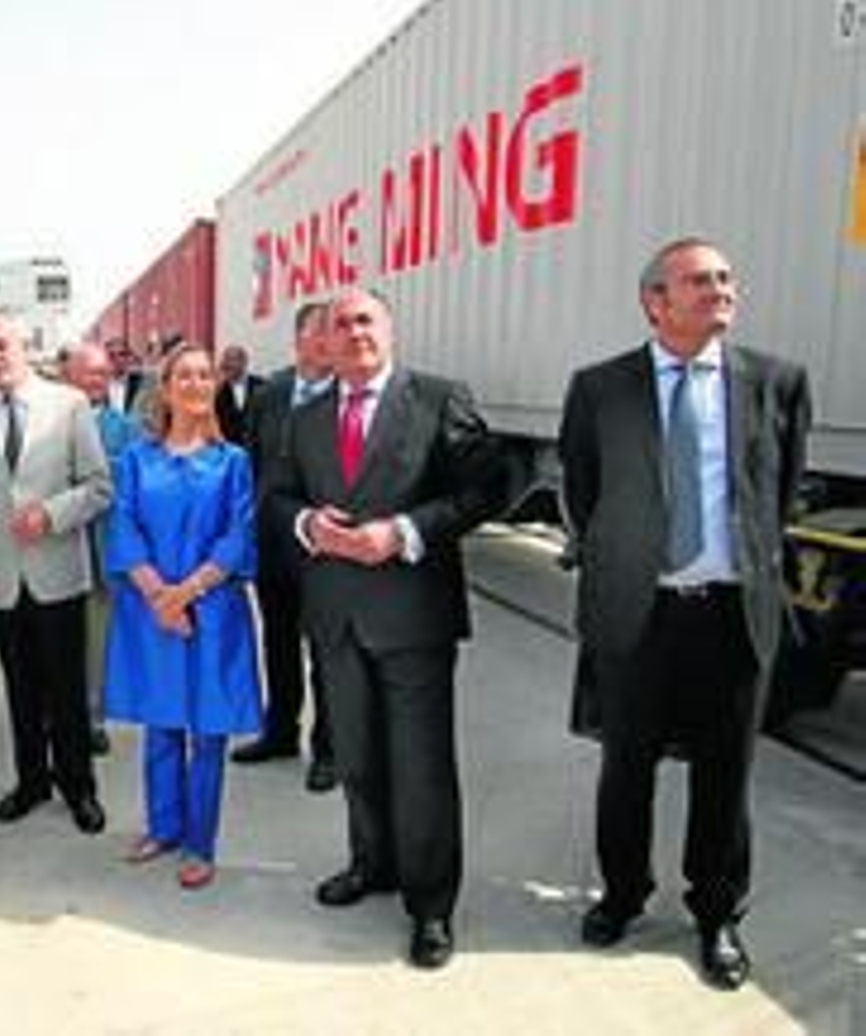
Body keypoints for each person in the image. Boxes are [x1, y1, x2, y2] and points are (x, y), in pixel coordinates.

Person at [559, 238, 811, 991]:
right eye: (699, 280)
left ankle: (717, 914)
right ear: (655, 301)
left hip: (733, 615)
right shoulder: (602, 387)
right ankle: (623, 894)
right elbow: (582, 489)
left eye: (727, 278)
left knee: (726, 774)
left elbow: (781, 489)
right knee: (626, 764)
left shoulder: (776, 381)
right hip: (639, 610)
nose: (720, 290)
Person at [266, 286, 502, 970]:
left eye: (365, 319)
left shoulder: (437, 398)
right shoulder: (305, 419)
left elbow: (486, 488)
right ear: (323, 344)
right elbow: (276, 496)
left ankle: (431, 906)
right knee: (359, 759)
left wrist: (402, 533)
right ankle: (372, 864)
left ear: (389, 329)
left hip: (413, 617)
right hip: (335, 617)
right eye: (340, 325)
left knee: (422, 768)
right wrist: (307, 524)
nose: (354, 332)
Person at [0, 307, 112, 835]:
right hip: (1, 579)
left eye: (2, 346)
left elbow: (100, 487)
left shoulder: (69, 405)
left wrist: (51, 514)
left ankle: (78, 786)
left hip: (58, 572)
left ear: (23, 345)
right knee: (19, 691)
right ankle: (32, 781)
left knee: (66, 692)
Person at [103, 343, 261, 890]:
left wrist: (184, 594)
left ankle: (199, 842)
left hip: (213, 613)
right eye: (184, 376)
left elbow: (237, 536)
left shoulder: (232, 462)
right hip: (151, 611)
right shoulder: (136, 461)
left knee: (209, 731)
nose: (196, 384)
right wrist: (158, 598)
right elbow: (123, 530)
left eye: (204, 375)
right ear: (165, 389)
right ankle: (163, 827)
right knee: (161, 722)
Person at [231, 303, 340, 794]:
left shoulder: (347, 396)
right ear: (298, 340)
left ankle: (330, 749)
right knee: (277, 641)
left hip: (327, 548)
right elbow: (251, 470)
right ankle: (279, 732)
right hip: (273, 547)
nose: (330, 341)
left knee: (326, 649)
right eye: (320, 333)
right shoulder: (268, 397)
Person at [61, 341, 140, 755]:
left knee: (98, 638)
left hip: (103, 547)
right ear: (67, 374)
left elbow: (128, 485)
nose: (97, 380)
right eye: (88, 371)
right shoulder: (48, 421)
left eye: (102, 373)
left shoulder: (125, 427)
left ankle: (92, 716)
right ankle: (56, 712)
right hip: (56, 548)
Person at [214, 344, 264, 445]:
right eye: (225, 359)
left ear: (244, 362)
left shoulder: (261, 386)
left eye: (232, 359)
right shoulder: (219, 391)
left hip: (256, 449)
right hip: (229, 449)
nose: (227, 364)